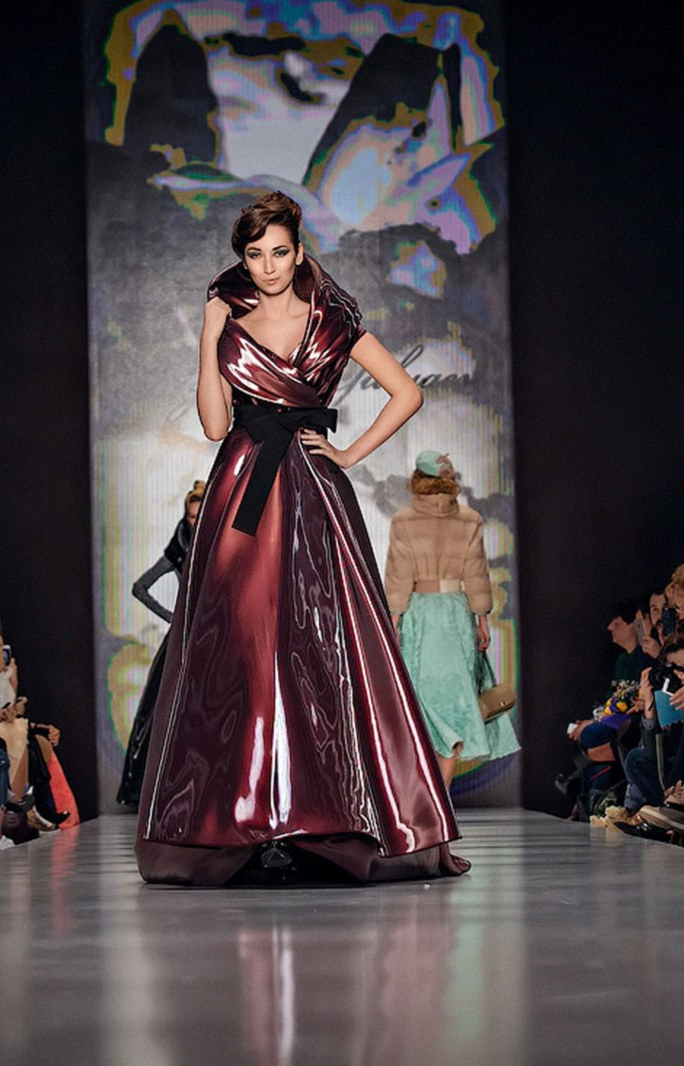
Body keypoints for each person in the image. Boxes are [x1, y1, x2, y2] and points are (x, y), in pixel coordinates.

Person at [134, 191, 467, 885]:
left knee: (322, 647)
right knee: (245, 650)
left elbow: (407, 392)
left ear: (299, 250)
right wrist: (207, 336)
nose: (267, 266)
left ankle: (322, 818)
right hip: (242, 490)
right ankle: (249, 821)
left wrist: (348, 454)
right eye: (255, 254)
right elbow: (214, 425)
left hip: (312, 492)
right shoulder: (230, 323)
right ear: (242, 258)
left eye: (279, 252)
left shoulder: (333, 322)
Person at [384, 451, 519, 789]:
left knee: (421, 703)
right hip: (457, 616)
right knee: (456, 702)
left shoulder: (404, 520)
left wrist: (394, 620)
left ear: (419, 479)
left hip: (420, 616)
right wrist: (481, 619)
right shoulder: (469, 520)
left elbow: (399, 575)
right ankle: (440, 798)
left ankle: (431, 797)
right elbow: (476, 573)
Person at [118, 481, 206, 806]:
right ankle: (164, 790)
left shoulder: (221, 543)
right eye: (191, 516)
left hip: (213, 635)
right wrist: (174, 617)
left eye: (199, 515)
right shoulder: (180, 547)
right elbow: (140, 587)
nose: (194, 521)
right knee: (167, 711)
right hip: (185, 639)